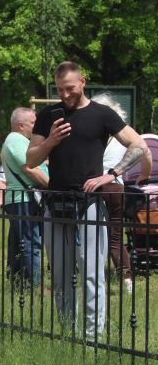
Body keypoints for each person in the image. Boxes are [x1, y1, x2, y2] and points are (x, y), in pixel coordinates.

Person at [27, 61, 148, 339]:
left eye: (70, 88)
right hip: (56, 204)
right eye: (59, 89)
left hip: (90, 204)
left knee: (91, 275)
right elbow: (31, 160)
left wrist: (112, 174)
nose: (65, 94)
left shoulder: (102, 114)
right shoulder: (48, 116)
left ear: (83, 82)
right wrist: (50, 141)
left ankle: (93, 338)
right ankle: (68, 334)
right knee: (60, 276)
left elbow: (139, 145)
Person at [93, 93, 151, 295]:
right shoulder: (124, 133)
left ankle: (94, 278)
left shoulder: (91, 131)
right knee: (115, 238)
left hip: (94, 186)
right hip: (116, 187)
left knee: (91, 234)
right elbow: (146, 152)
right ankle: (127, 281)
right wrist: (144, 175)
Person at [2, 107, 49, 285]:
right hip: (23, 199)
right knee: (30, 243)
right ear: (21, 125)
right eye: (33, 123)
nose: (36, 126)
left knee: (19, 243)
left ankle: (17, 281)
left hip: (21, 199)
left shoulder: (17, 140)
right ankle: (32, 284)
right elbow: (30, 168)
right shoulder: (16, 140)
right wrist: (52, 186)